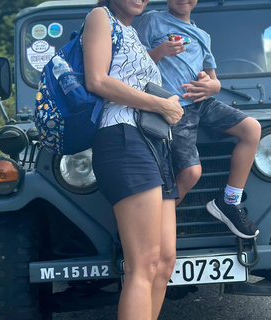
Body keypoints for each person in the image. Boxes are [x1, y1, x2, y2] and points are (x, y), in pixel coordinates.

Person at [82, 0, 184, 318]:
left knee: (164, 261)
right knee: (143, 263)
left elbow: (131, 74)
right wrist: (161, 105)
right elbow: (97, 80)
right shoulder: (100, 17)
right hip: (123, 138)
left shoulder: (132, 33)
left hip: (153, 144)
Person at [137, 0, 262, 239]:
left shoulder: (202, 35)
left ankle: (229, 201)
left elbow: (214, 81)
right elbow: (135, 64)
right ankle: (149, 227)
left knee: (252, 129)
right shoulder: (152, 20)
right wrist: (160, 51)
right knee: (191, 173)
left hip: (201, 104)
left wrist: (211, 86)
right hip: (172, 107)